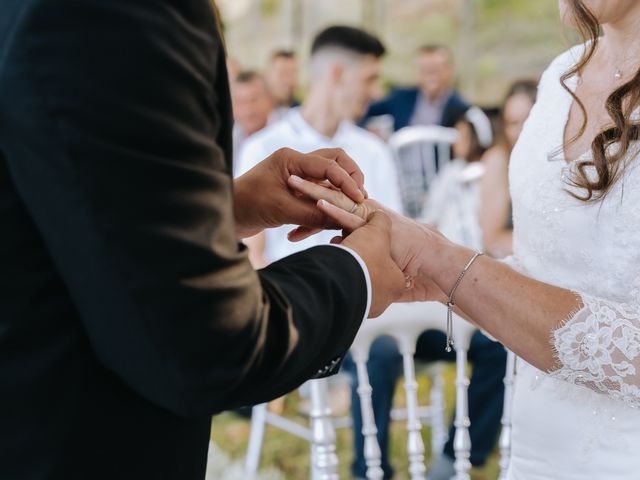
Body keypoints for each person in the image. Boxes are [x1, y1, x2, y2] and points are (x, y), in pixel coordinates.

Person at [0, 2, 407, 479]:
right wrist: (354, 274)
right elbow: (199, 343)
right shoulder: (117, 14)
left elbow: (76, 205)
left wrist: (226, 206)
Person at [289, 1, 640, 478]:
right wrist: (428, 261)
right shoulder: (561, 76)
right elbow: (548, 271)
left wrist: (452, 265)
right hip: (537, 447)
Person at [346, 107, 505, 480]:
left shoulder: (492, 178)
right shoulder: (449, 177)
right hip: (382, 307)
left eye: (461, 135)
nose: (454, 144)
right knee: (380, 351)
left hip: (448, 293)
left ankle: (456, 457)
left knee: (497, 345)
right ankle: (371, 470)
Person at [238, 26, 403, 267]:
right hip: (283, 293)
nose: (375, 93)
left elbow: (395, 239)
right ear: (337, 73)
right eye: (369, 79)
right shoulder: (262, 148)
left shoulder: (375, 151)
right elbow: (251, 254)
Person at [479, 80, 537, 258]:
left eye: (529, 120)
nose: (521, 131)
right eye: (513, 123)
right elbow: (492, 240)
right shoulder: (497, 161)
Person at [362, 45, 470, 133]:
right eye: (425, 69)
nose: (431, 75)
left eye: (436, 69)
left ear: (449, 71)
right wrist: (368, 132)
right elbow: (363, 112)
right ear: (417, 72)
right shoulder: (400, 98)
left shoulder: (461, 109)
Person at [230, 71, 274, 170]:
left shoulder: (284, 136)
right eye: (240, 101)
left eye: (253, 100)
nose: (247, 109)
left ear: (269, 100)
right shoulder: (229, 140)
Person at [264, 49, 300, 120]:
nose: (288, 80)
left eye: (292, 73)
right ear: (267, 75)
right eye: (282, 73)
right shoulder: (253, 111)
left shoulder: (301, 111)